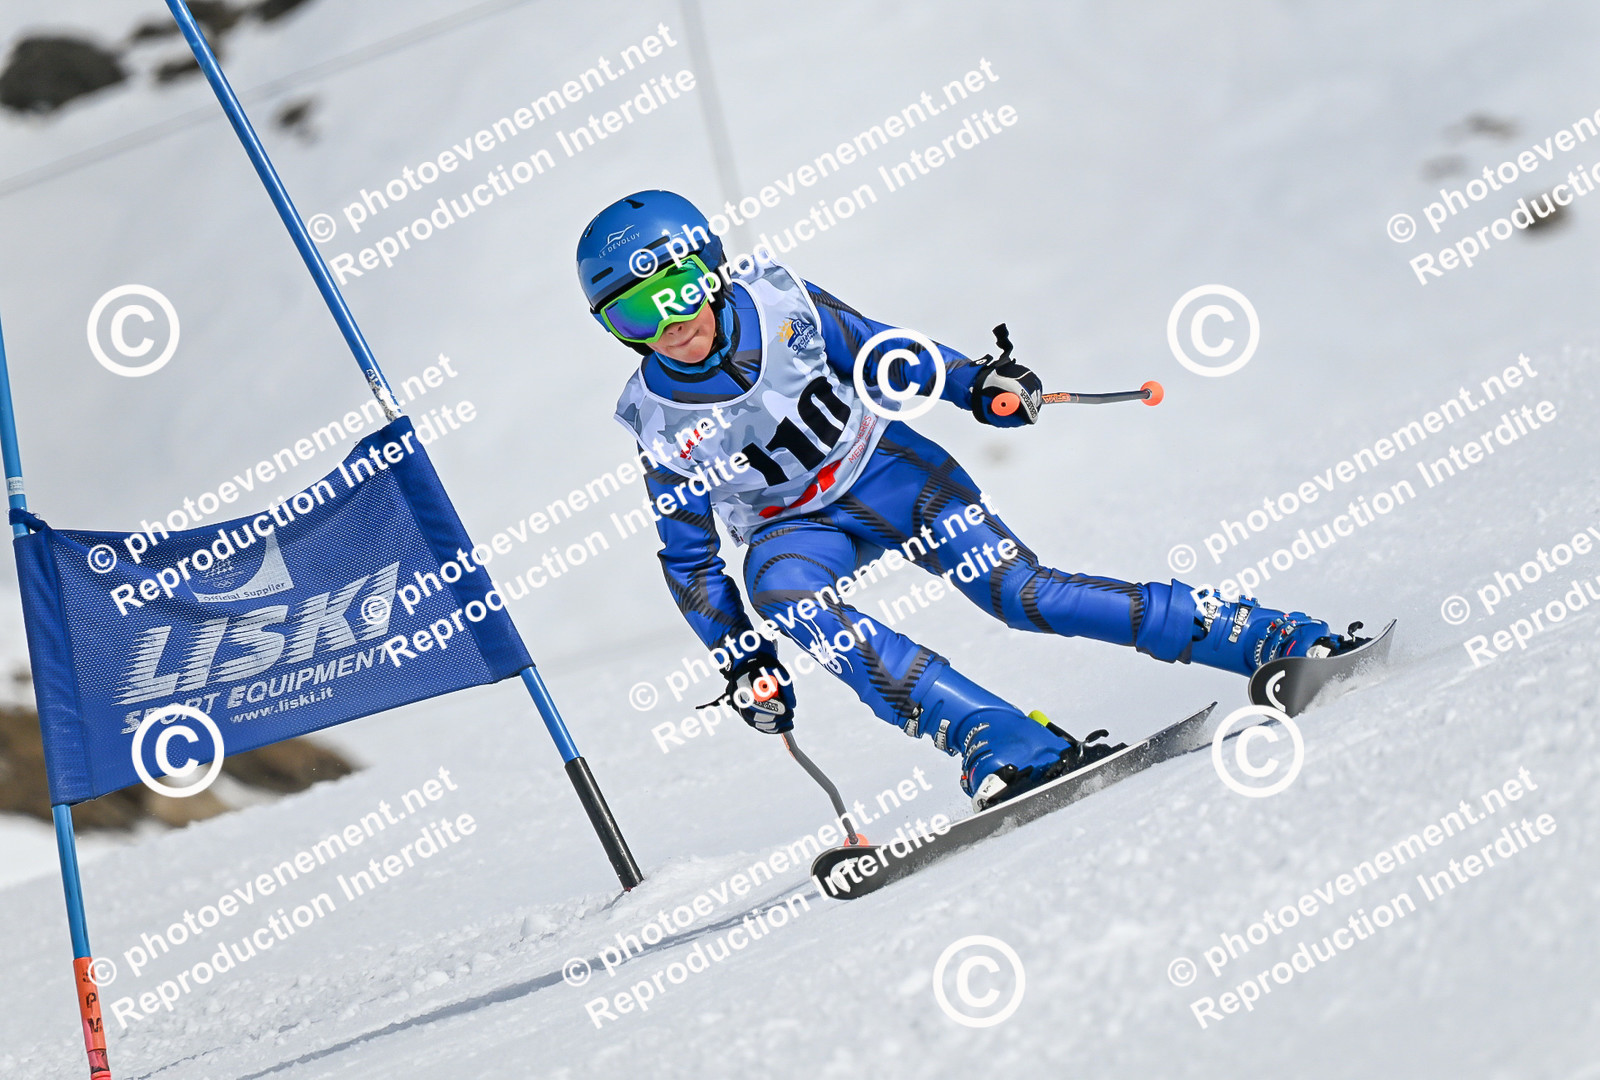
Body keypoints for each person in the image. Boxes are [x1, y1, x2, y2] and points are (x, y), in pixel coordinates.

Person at [576, 190, 1364, 811]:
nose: (671, 322)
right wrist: (744, 657)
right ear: (614, 328)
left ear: (713, 271)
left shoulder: (782, 303)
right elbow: (690, 557)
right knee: (778, 588)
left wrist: (974, 384)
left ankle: (1262, 636)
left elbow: (880, 350)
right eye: (637, 312)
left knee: (1019, 593)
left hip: (886, 472)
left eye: (681, 289)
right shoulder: (657, 419)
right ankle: (1002, 741)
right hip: (793, 528)